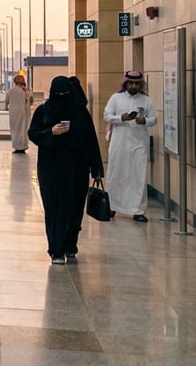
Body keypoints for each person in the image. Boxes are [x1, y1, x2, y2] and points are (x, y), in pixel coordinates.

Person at [30, 76, 104, 264]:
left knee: (74, 207)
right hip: (51, 168)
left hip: (77, 168)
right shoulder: (43, 111)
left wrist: (96, 168)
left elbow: (91, 141)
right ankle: (56, 249)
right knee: (53, 208)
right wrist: (51, 133)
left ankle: (70, 244)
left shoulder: (81, 113)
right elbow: (33, 133)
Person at [102, 70, 156, 222]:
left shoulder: (147, 101)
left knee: (138, 176)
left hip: (139, 143)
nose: (133, 86)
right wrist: (121, 117)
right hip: (119, 142)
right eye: (131, 83)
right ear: (125, 83)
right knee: (116, 174)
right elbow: (106, 116)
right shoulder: (116, 98)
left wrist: (144, 121)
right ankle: (112, 206)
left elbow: (153, 119)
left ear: (140, 85)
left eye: (136, 84)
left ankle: (137, 210)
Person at [6, 74, 33, 153]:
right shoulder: (26, 90)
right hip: (25, 112)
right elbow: (31, 101)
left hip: (14, 113)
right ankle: (23, 146)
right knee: (24, 129)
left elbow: (6, 101)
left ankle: (17, 147)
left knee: (15, 129)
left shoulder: (11, 90)